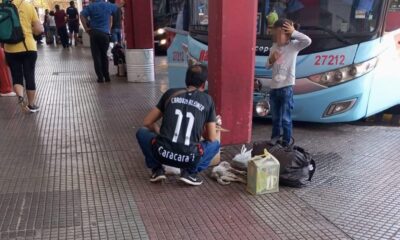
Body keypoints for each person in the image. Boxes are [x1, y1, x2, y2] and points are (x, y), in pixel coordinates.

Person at [136, 65, 221, 186]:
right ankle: (190, 173)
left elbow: (147, 122)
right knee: (215, 144)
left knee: (142, 132)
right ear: (203, 84)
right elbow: (211, 137)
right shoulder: (208, 100)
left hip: (163, 153)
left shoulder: (170, 93)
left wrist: (157, 130)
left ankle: (157, 170)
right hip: (189, 158)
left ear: (186, 80)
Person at [266, 19, 311, 145]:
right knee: (275, 118)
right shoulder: (273, 48)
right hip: (274, 88)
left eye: (281, 33)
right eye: (275, 33)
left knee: (286, 118)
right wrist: (271, 60)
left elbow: (308, 41)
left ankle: (286, 142)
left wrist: (294, 32)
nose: (277, 36)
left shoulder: (294, 46)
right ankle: (274, 139)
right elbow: (267, 66)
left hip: (286, 88)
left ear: (288, 34)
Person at [4, 0, 43, 113]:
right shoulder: (28, 6)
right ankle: (31, 105)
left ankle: (21, 98)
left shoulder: (2, 6)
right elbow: (38, 29)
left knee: (17, 76)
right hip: (28, 47)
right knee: (29, 75)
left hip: (10, 48)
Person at [80, 0, 119, 83]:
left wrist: (86, 28)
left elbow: (82, 15)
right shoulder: (108, 5)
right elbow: (118, 6)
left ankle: (100, 78)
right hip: (105, 34)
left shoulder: (91, 6)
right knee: (104, 55)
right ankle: (107, 76)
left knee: (96, 56)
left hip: (94, 33)